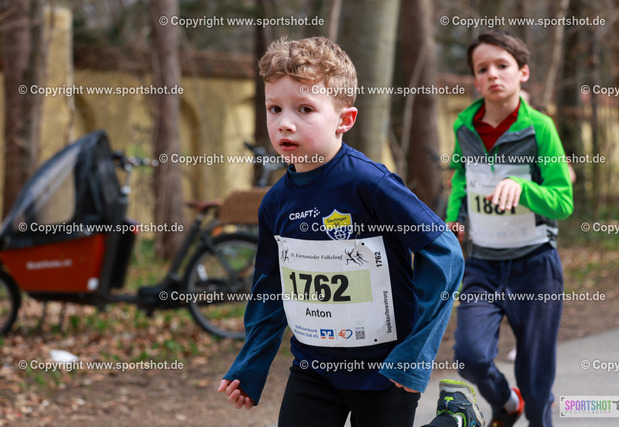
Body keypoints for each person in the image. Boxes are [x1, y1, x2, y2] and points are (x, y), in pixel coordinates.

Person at [216, 36, 476, 427]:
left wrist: (414, 354)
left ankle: (456, 418)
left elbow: (444, 252)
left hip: (384, 370)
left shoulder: (370, 185)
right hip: (313, 368)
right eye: (274, 109)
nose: (284, 122)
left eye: (305, 109)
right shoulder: (274, 203)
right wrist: (251, 364)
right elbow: (270, 288)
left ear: (345, 120)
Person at [446, 30, 573, 427]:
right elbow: (461, 179)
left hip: (535, 264)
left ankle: (535, 416)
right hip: (482, 263)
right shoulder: (464, 125)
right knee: (470, 356)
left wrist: (523, 188)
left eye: (502, 65)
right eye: (482, 69)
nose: (493, 75)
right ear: (475, 79)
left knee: (536, 376)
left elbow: (563, 201)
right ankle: (506, 401)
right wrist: (455, 220)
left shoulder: (540, 128)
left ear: (523, 73)